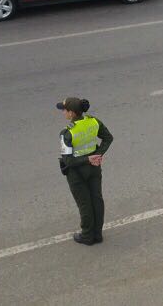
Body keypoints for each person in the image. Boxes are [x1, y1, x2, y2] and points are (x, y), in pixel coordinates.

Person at [57, 97, 113, 246]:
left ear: (71, 113)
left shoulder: (67, 133)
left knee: (84, 203)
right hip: (94, 167)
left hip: (76, 172)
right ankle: (97, 234)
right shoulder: (93, 121)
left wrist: (87, 159)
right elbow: (108, 138)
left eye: (64, 110)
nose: (63, 112)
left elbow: (68, 161)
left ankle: (87, 235)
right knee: (96, 199)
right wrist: (98, 154)